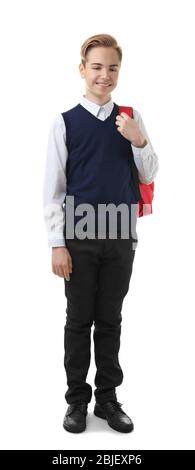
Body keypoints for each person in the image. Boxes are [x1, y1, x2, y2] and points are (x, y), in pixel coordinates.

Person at [43, 33, 159, 434]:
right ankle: (77, 401)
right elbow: (54, 189)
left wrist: (138, 140)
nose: (104, 75)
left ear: (118, 71)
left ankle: (108, 399)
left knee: (110, 319)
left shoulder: (130, 118)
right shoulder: (65, 123)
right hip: (79, 237)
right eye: (96, 67)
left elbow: (148, 173)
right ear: (82, 70)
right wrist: (57, 244)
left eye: (112, 67)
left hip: (120, 234)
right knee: (78, 320)